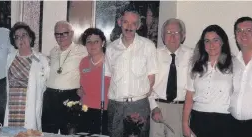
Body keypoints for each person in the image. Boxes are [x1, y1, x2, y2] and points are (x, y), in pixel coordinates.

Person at [105, 7, 158, 137]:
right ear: (119, 22)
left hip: (138, 105)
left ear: (138, 26)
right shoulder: (111, 48)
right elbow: (108, 77)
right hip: (115, 105)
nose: (129, 27)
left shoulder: (148, 46)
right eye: (125, 22)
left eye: (134, 23)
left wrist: (140, 99)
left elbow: (151, 77)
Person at [182, 25, 233, 137]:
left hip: (224, 120)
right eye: (207, 41)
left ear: (222, 42)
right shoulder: (194, 65)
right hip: (199, 119)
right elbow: (189, 96)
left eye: (215, 40)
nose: (211, 45)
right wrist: (185, 123)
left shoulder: (234, 64)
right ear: (203, 44)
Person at [42, 21, 88, 134]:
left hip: (71, 97)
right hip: (50, 97)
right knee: (48, 132)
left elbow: (90, 69)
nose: (60, 37)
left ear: (71, 34)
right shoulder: (53, 51)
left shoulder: (82, 50)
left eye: (64, 33)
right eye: (57, 34)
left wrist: (85, 87)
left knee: (70, 132)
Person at [148, 18, 192, 137]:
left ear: (183, 36)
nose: (172, 36)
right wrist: (154, 107)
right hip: (157, 107)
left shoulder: (192, 55)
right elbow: (147, 84)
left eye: (176, 33)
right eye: (168, 33)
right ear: (162, 36)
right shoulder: (154, 54)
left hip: (180, 109)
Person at [3, 22, 49, 130]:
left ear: (31, 38)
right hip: (13, 107)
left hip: (30, 106)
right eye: (17, 37)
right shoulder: (10, 58)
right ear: (14, 42)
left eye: (24, 35)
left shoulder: (41, 60)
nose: (21, 39)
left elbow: (46, 83)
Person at [78, 28, 110, 135]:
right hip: (85, 109)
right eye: (88, 41)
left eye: (96, 41)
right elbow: (82, 84)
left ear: (103, 43)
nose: (92, 45)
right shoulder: (83, 62)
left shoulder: (110, 62)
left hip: (104, 111)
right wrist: (80, 90)